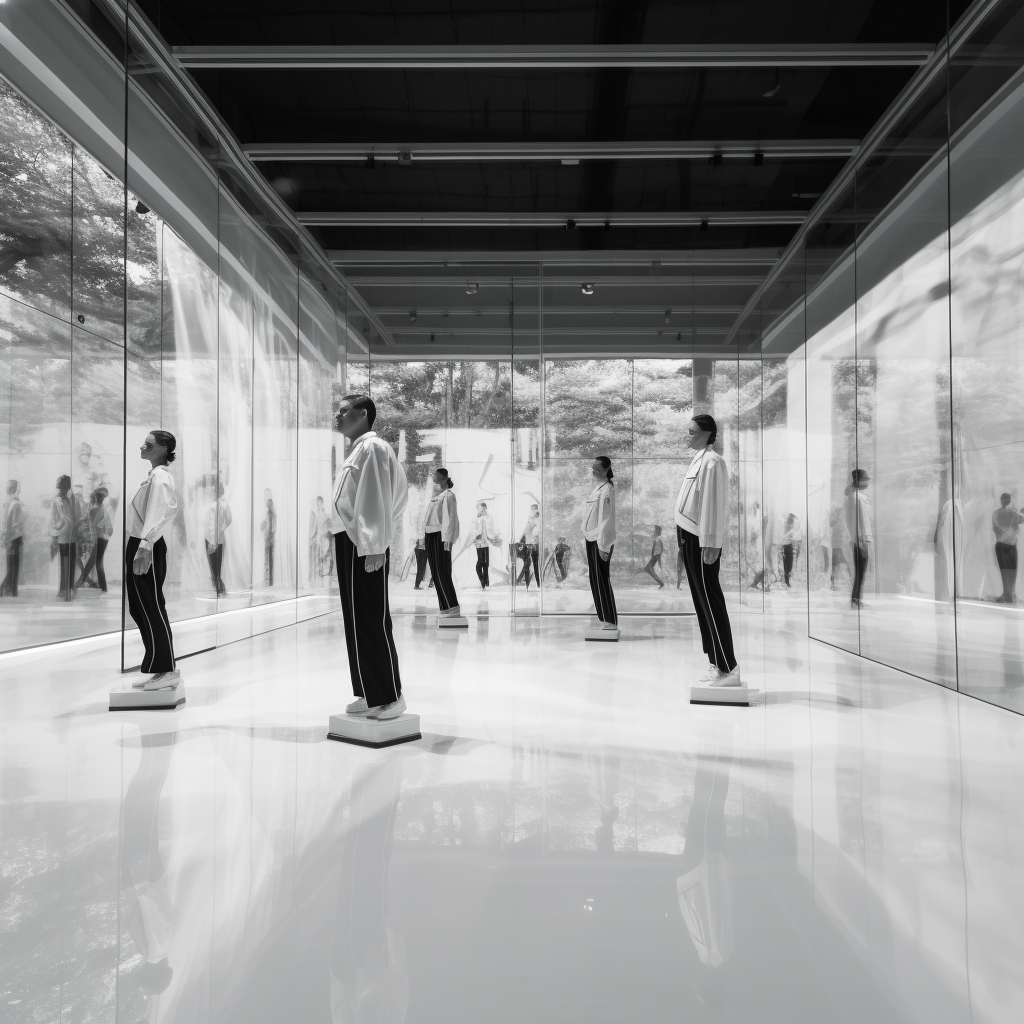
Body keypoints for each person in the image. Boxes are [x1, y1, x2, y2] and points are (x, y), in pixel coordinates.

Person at [333, 394, 409, 720]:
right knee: (355, 619)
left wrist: (375, 545)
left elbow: (377, 500)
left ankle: (390, 695)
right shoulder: (358, 450)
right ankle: (368, 690)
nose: (337, 416)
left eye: (343, 411)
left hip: (364, 545)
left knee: (371, 618)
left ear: (362, 414)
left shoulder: (374, 448)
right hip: (351, 541)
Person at [675, 414, 740, 686]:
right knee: (702, 604)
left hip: (701, 540)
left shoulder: (713, 462)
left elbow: (714, 506)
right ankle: (715, 661)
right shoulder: (700, 459)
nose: (687, 436)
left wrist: (712, 542)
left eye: (691, 432)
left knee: (711, 601)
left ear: (706, 432)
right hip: (689, 537)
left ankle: (729, 667)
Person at [125, 430, 181, 690]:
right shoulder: (154, 477)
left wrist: (146, 544)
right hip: (142, 542)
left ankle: (166, 668)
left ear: (163, 447)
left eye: (148, 443)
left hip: (146, 543)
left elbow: (164, 511)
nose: (142, 446)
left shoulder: (159, 478)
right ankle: (159, 666)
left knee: (150, 606)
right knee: (141, 606)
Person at [582, 455, 617, 631]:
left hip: (599, 541)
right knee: (594, 579)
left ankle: (610, 619)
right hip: (591, 538)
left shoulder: (607, 489)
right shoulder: (598, 488)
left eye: (597, 467)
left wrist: (604, 545)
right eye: (593, 467)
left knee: (602, 579)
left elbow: (607, 519)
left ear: (606, 468)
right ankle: (603, 617)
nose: (594, 470)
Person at [424, 466, 461, 617]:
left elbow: (449, 519)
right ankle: (445, 607)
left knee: (442, 572)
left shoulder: (448, 496)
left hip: (440, 536)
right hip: (430, 535)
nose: (436, 481)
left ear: (445, 478)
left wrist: (448, 539)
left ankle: (452, 605)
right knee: (435, 572)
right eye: (435, 478)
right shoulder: (437, 496)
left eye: (438, 478)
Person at [49, 474, 91, 601]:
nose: (63, 491)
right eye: (62, 489)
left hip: (71, 537)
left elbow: (79, 517)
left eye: (65, 488)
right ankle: (64, 589)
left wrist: (77, 529)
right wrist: (55, 536)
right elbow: (54, 519)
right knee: (65, 564)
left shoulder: (71, 500)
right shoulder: (57, 501)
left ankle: (68, 588)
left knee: (71, 564)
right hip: (63, 537)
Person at [845, 469, 872, 607]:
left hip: (861, 538)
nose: (868, 481)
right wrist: (861, 540)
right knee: (860, 570)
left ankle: (856, 598)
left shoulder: (857, 497)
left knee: (861, 570)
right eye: (865, 479)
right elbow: (858, 521)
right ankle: (855, 599)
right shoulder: (857, 498)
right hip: (860, 539)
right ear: (859, 481)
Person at [78, 487, 113, 591]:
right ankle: (82, 580)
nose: (90, 499)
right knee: (93, 561)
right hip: (104, 537)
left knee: (97, 562)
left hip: (99, 538)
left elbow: (93, 525)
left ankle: (103, 587)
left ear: (95, 498)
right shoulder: (104, 508)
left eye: (92, 497)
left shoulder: (95, 509)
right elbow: (109, 527)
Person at [992, 493, 1024, 604]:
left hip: (1000, 545)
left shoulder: (995, 513)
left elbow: (995, 529)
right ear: (1009, 501)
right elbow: (1021, 520)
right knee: (1011, 571)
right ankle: (1009, 595)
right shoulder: (1012, 513)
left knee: (1004, 571)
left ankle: (1007, 594)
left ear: (1001, 500)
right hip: (1010, 546)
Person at [204, 481, 232, 596]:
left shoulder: (215, 505)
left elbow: (211, 525)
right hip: (219, 538)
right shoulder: (224, 504)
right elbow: (229, 520)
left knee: (214, 566)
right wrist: (221, 529)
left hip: (212, 539)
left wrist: (212, 540)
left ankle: (219, 590)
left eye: (212, 489)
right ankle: (220, 590)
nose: (210, 491)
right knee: (217, 565)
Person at [1, 479, 23, 597]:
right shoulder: (13, 503)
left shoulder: (12, 503)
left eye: (8, 487)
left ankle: (11, 590)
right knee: (13, 565)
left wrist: (6, 536)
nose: (7, 489)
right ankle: (9, 589)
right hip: (13, 537)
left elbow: (13, 523)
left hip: (12, 537)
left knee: (12, 565)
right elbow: (14, 523)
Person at [472, 500, 496, 589]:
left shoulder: (489, 518)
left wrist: (492, 538)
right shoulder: (476, 519)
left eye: (480, 507)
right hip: (479, 542)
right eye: (478, 508)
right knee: (480, 561)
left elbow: (491, 529)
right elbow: (474, 530)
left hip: (486, 542)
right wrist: (476, 534)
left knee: (486, 563)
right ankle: (482, 579)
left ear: (484, 508)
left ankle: (487, 582)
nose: (479, 509)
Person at [828, 505, 850, 589]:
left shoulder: (841, 520)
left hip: (840, 543)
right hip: (836, 543)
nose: (842, 514)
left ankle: (834, 580)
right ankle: (833, 580)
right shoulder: (835, 519)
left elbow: (845, 529)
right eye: (841, 512)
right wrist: (838, 518)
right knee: (837, 562)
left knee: (840, 562)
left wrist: (847, 537)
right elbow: (831, 525)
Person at [519, 504, 540, 589]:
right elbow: (526, 530)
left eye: (533, 510)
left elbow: (537, 530)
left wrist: (535, 537)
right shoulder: (530, 520)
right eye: (531, 510)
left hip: (534, 544)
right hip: (528, 543)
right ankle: (527, 583)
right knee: (527, 563)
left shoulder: (537, 520)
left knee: (535, 564)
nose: (532, 512)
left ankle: (538, 583)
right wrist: (522, 539)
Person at [780, 513, 803, 588]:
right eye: (791, 520)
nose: (791, 522)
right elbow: (785, 537)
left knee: (788, 564)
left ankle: (787, 580)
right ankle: (786, 581)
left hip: (789, 546)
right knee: (786, 564)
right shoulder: (785, 527)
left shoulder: (790, 527)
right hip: (786, 546)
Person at [260, 489, 276, 587]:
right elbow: (266, 523)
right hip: (267, 538)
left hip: (270, 538)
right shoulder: (267, 512)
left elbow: (273, 527)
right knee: (267, 558)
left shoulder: (272, 512)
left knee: (270, 559)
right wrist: (263, 525)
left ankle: (270, 581)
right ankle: (268, 580)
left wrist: (270, 535)